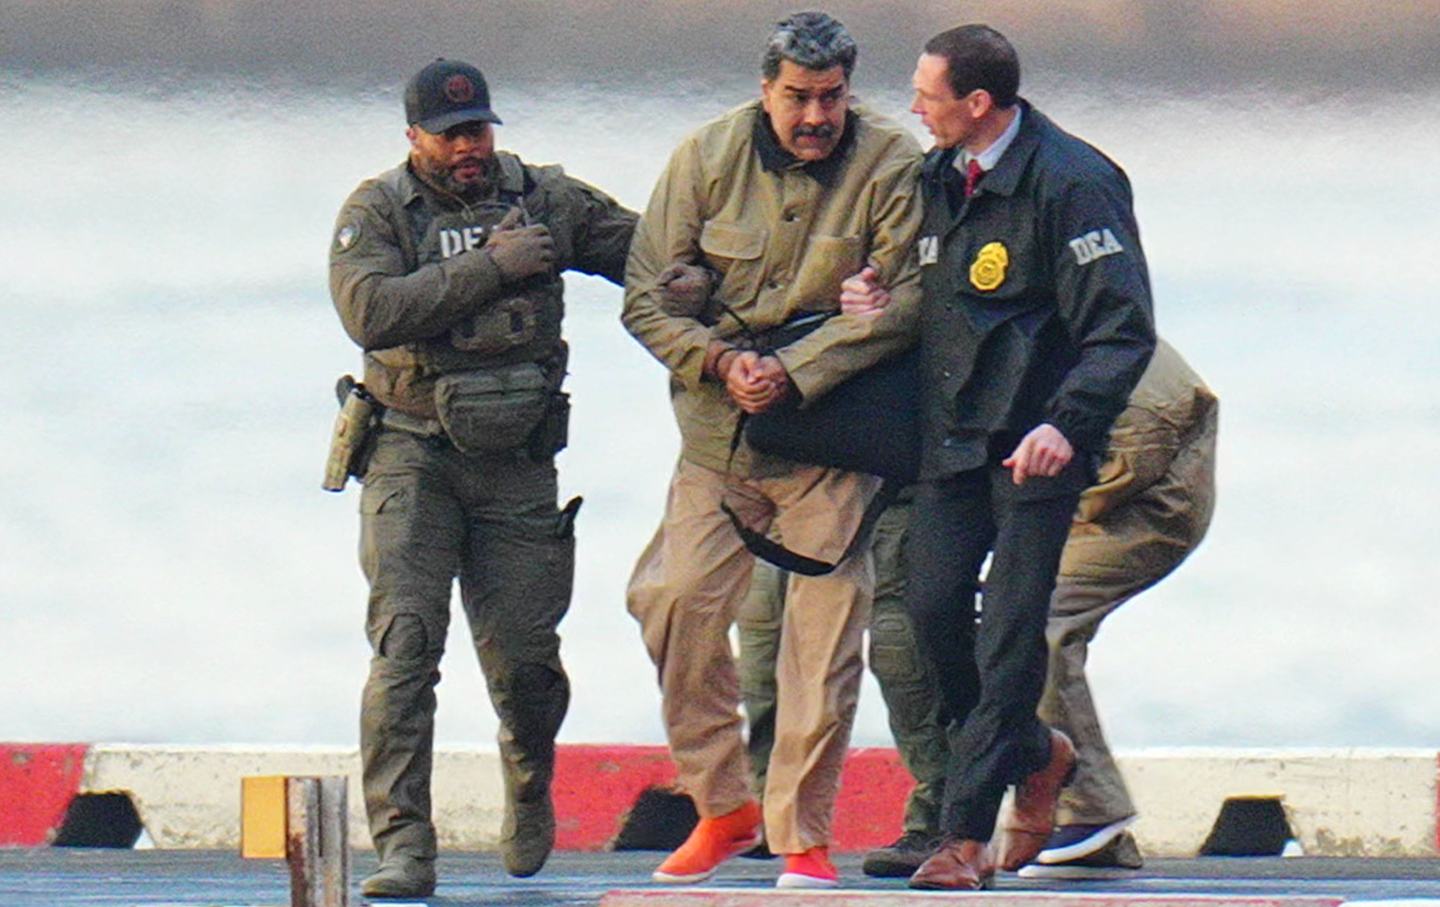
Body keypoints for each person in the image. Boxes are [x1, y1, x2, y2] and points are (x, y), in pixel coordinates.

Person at [621, 10, 924, 889]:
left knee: (822, 645)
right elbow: (645, 299)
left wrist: (793, 368)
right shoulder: (704, 158)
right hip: (717, 441)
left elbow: (904, 303)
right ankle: (723, 804)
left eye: (830, 98)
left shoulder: (890, 163)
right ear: (767, 89)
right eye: (798, 97)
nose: (815, 116)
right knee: (671, 602)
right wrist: (719, 360)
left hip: (832, 443)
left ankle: (803, 836)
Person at [736, 340, 1217, 881]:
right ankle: (1022, 781)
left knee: (1037, 623)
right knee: (956, 618)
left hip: (1140, 501)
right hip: (1056, 472)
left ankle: (1089, 812)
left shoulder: (1111, 363)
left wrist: (1010, 530)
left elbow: (1132, 456)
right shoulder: (987, 331)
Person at [327, 58, 636, 898]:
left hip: (517, 462)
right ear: (414, 137)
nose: (469, 147)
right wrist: (490, 269)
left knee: (527, 664)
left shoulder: (545, 199)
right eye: (451, 133)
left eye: (480, 130)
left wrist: (699, 284)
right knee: (404, 649)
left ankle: (529, 774)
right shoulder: (378, 211)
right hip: (410, 452)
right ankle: (404, 844)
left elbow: (640, 249)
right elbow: (370, 310)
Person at [870, 24, 1157, 890]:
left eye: (928, 94)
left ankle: (964, 835)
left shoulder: (1073, 182)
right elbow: (939, 293)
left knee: (1010, 634)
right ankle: (1037, 754)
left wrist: (1067, 423)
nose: (915, 107)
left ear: (978, 103)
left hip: (1040, 447)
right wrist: (876, 292)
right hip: (955, 438)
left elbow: (1122, 329)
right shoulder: (938, 178)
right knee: (928, 612)